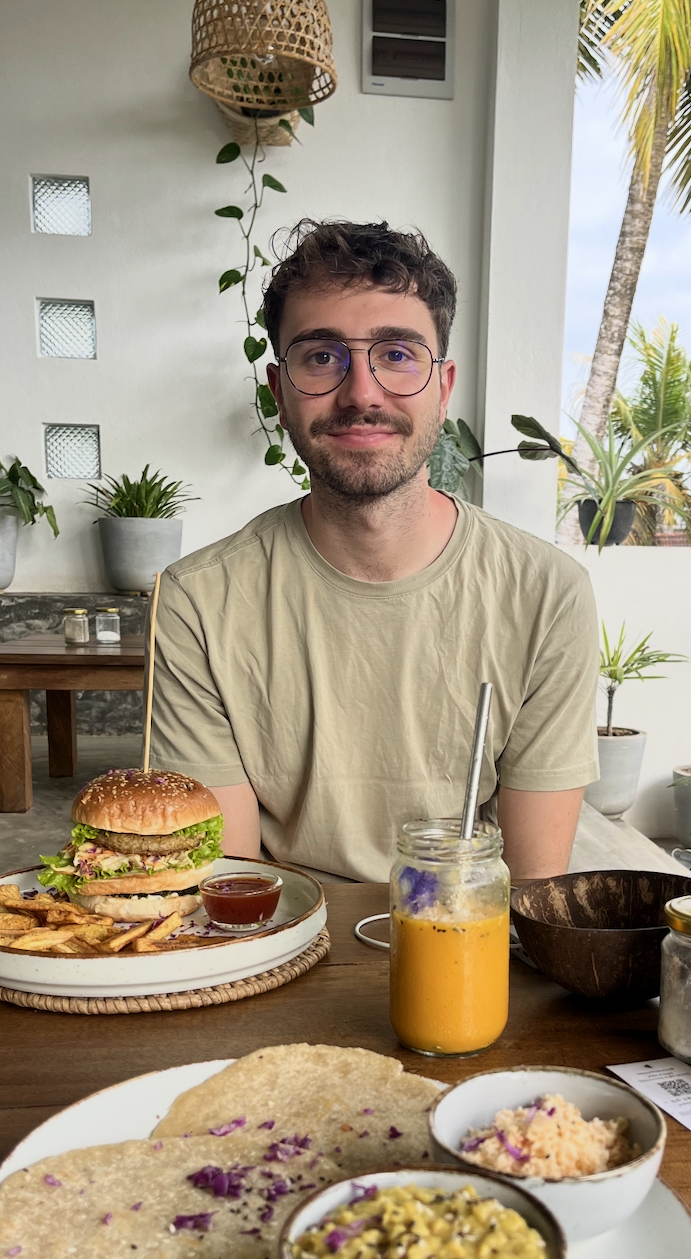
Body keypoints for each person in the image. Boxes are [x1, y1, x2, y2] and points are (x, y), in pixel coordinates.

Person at [148, 219, 599, 883]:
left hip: (465, 944)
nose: (361, 393)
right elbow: (232, 895)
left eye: (396, 355)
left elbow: (530, 895)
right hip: (280, 946)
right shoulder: (199, 601)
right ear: (279, 392)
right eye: (322, 357)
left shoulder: (545, 593)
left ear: (442, 390)